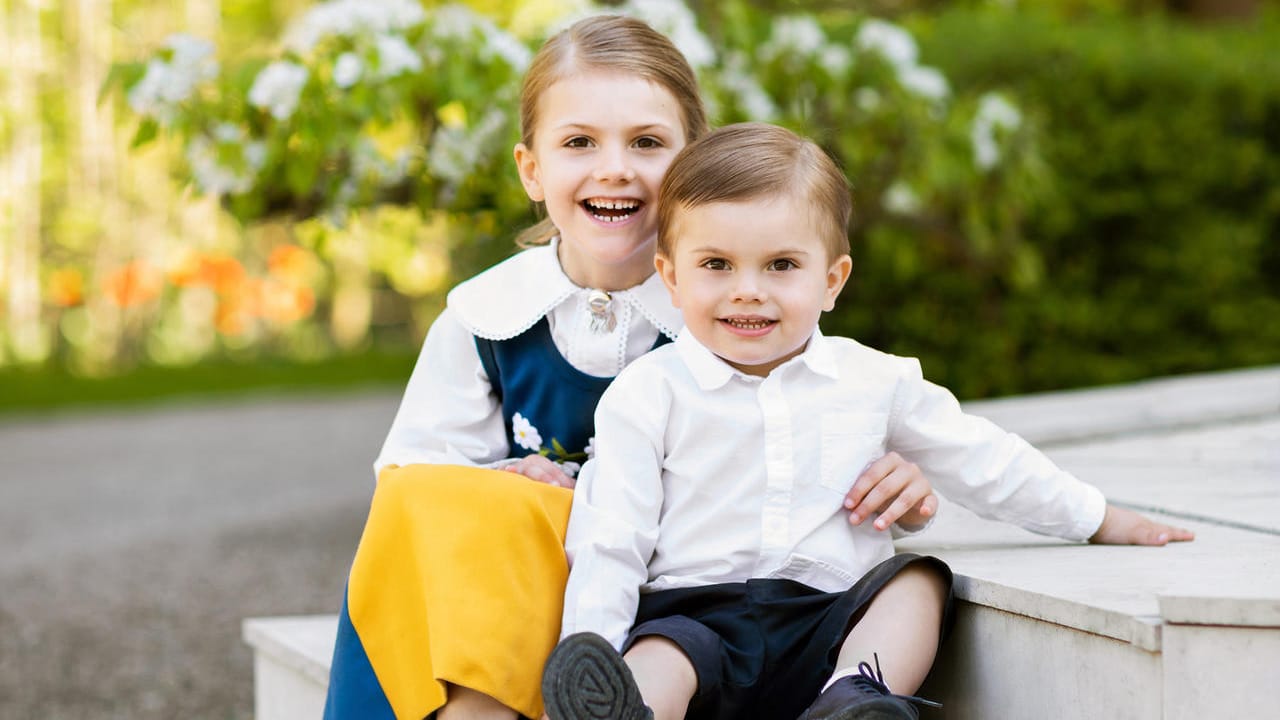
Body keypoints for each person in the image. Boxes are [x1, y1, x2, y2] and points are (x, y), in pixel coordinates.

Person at [540, 123, 1196, 720]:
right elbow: (610, 538)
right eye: (716, 265)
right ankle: (620, 709)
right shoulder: (647, 393)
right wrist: (589, 645)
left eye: (781, 265)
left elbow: (981, 457)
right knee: (656, 660)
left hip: (825, 616)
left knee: (915, 583)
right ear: (671, 277)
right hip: (694, 618)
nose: (748, 289)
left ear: (832, 279)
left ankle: (856, 696)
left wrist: (1098, 516)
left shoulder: (873, 380)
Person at [321, 15, 713, 720]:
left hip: (660, 593)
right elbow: (415, 486)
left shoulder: (728, 316)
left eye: (648, 142)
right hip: (505, 591)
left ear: (693, 165)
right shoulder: (486, 317)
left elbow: (793, 430)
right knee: (435, 503)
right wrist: (511, 485)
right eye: (578, 143)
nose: (614, 166)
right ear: (532, 170)